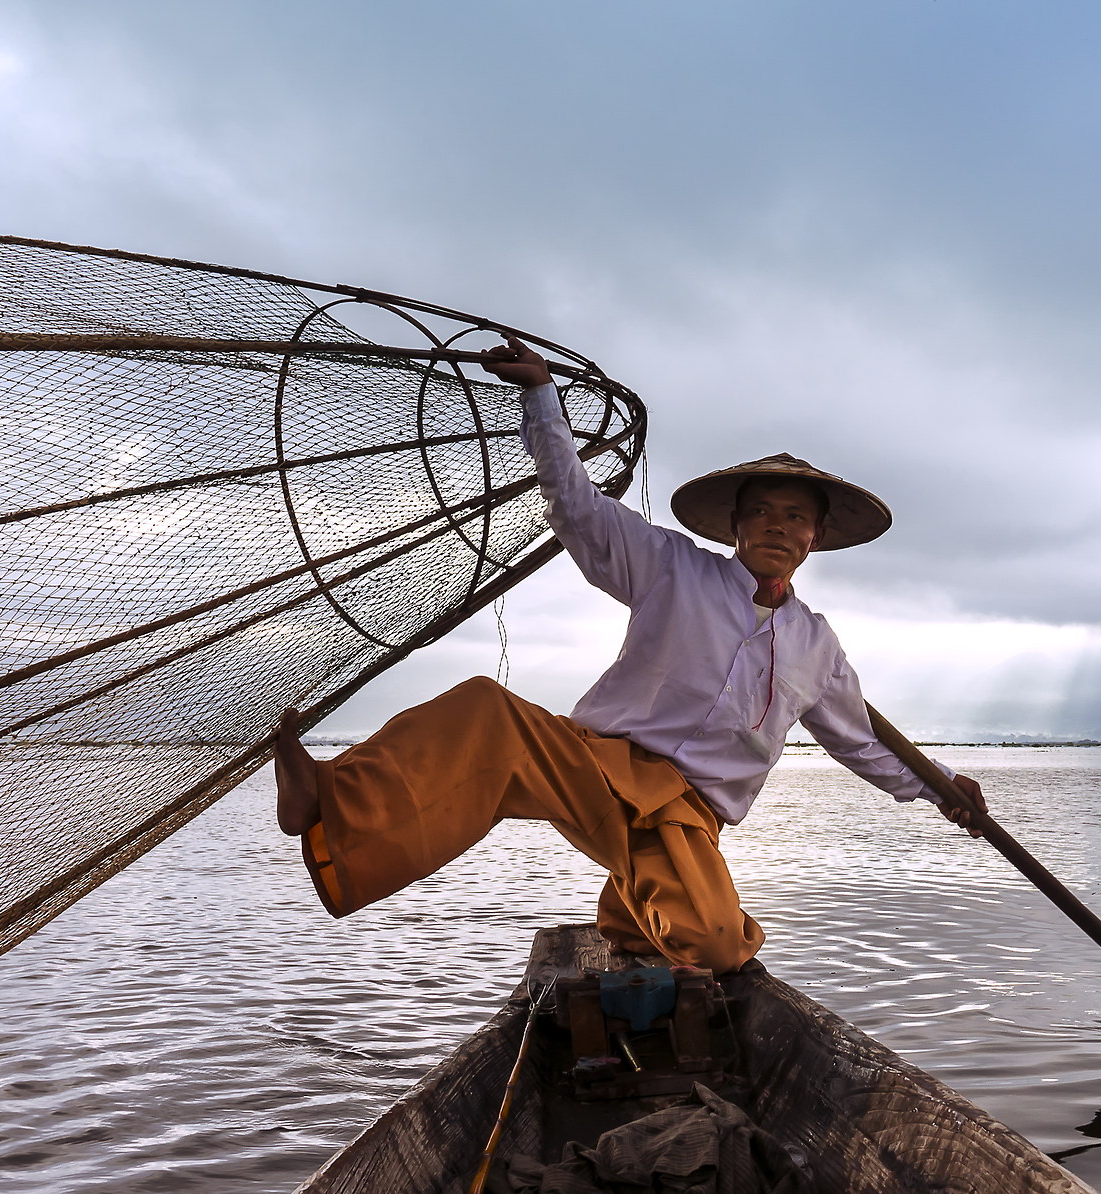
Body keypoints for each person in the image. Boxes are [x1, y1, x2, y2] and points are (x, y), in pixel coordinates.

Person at [271, 336, 983, 973]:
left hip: (686, 816)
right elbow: (577, 508)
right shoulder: (673, 568)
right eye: (761, 511)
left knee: (715, 945)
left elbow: (864, 745)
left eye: (795, 516)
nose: (776, 526)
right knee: (487, 712)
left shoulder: (816, 646)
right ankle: (330, 796)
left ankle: (631, 918)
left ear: (814, 538)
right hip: (596, 767)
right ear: (735, 526)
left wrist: (945, 787)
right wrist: (542, 397)